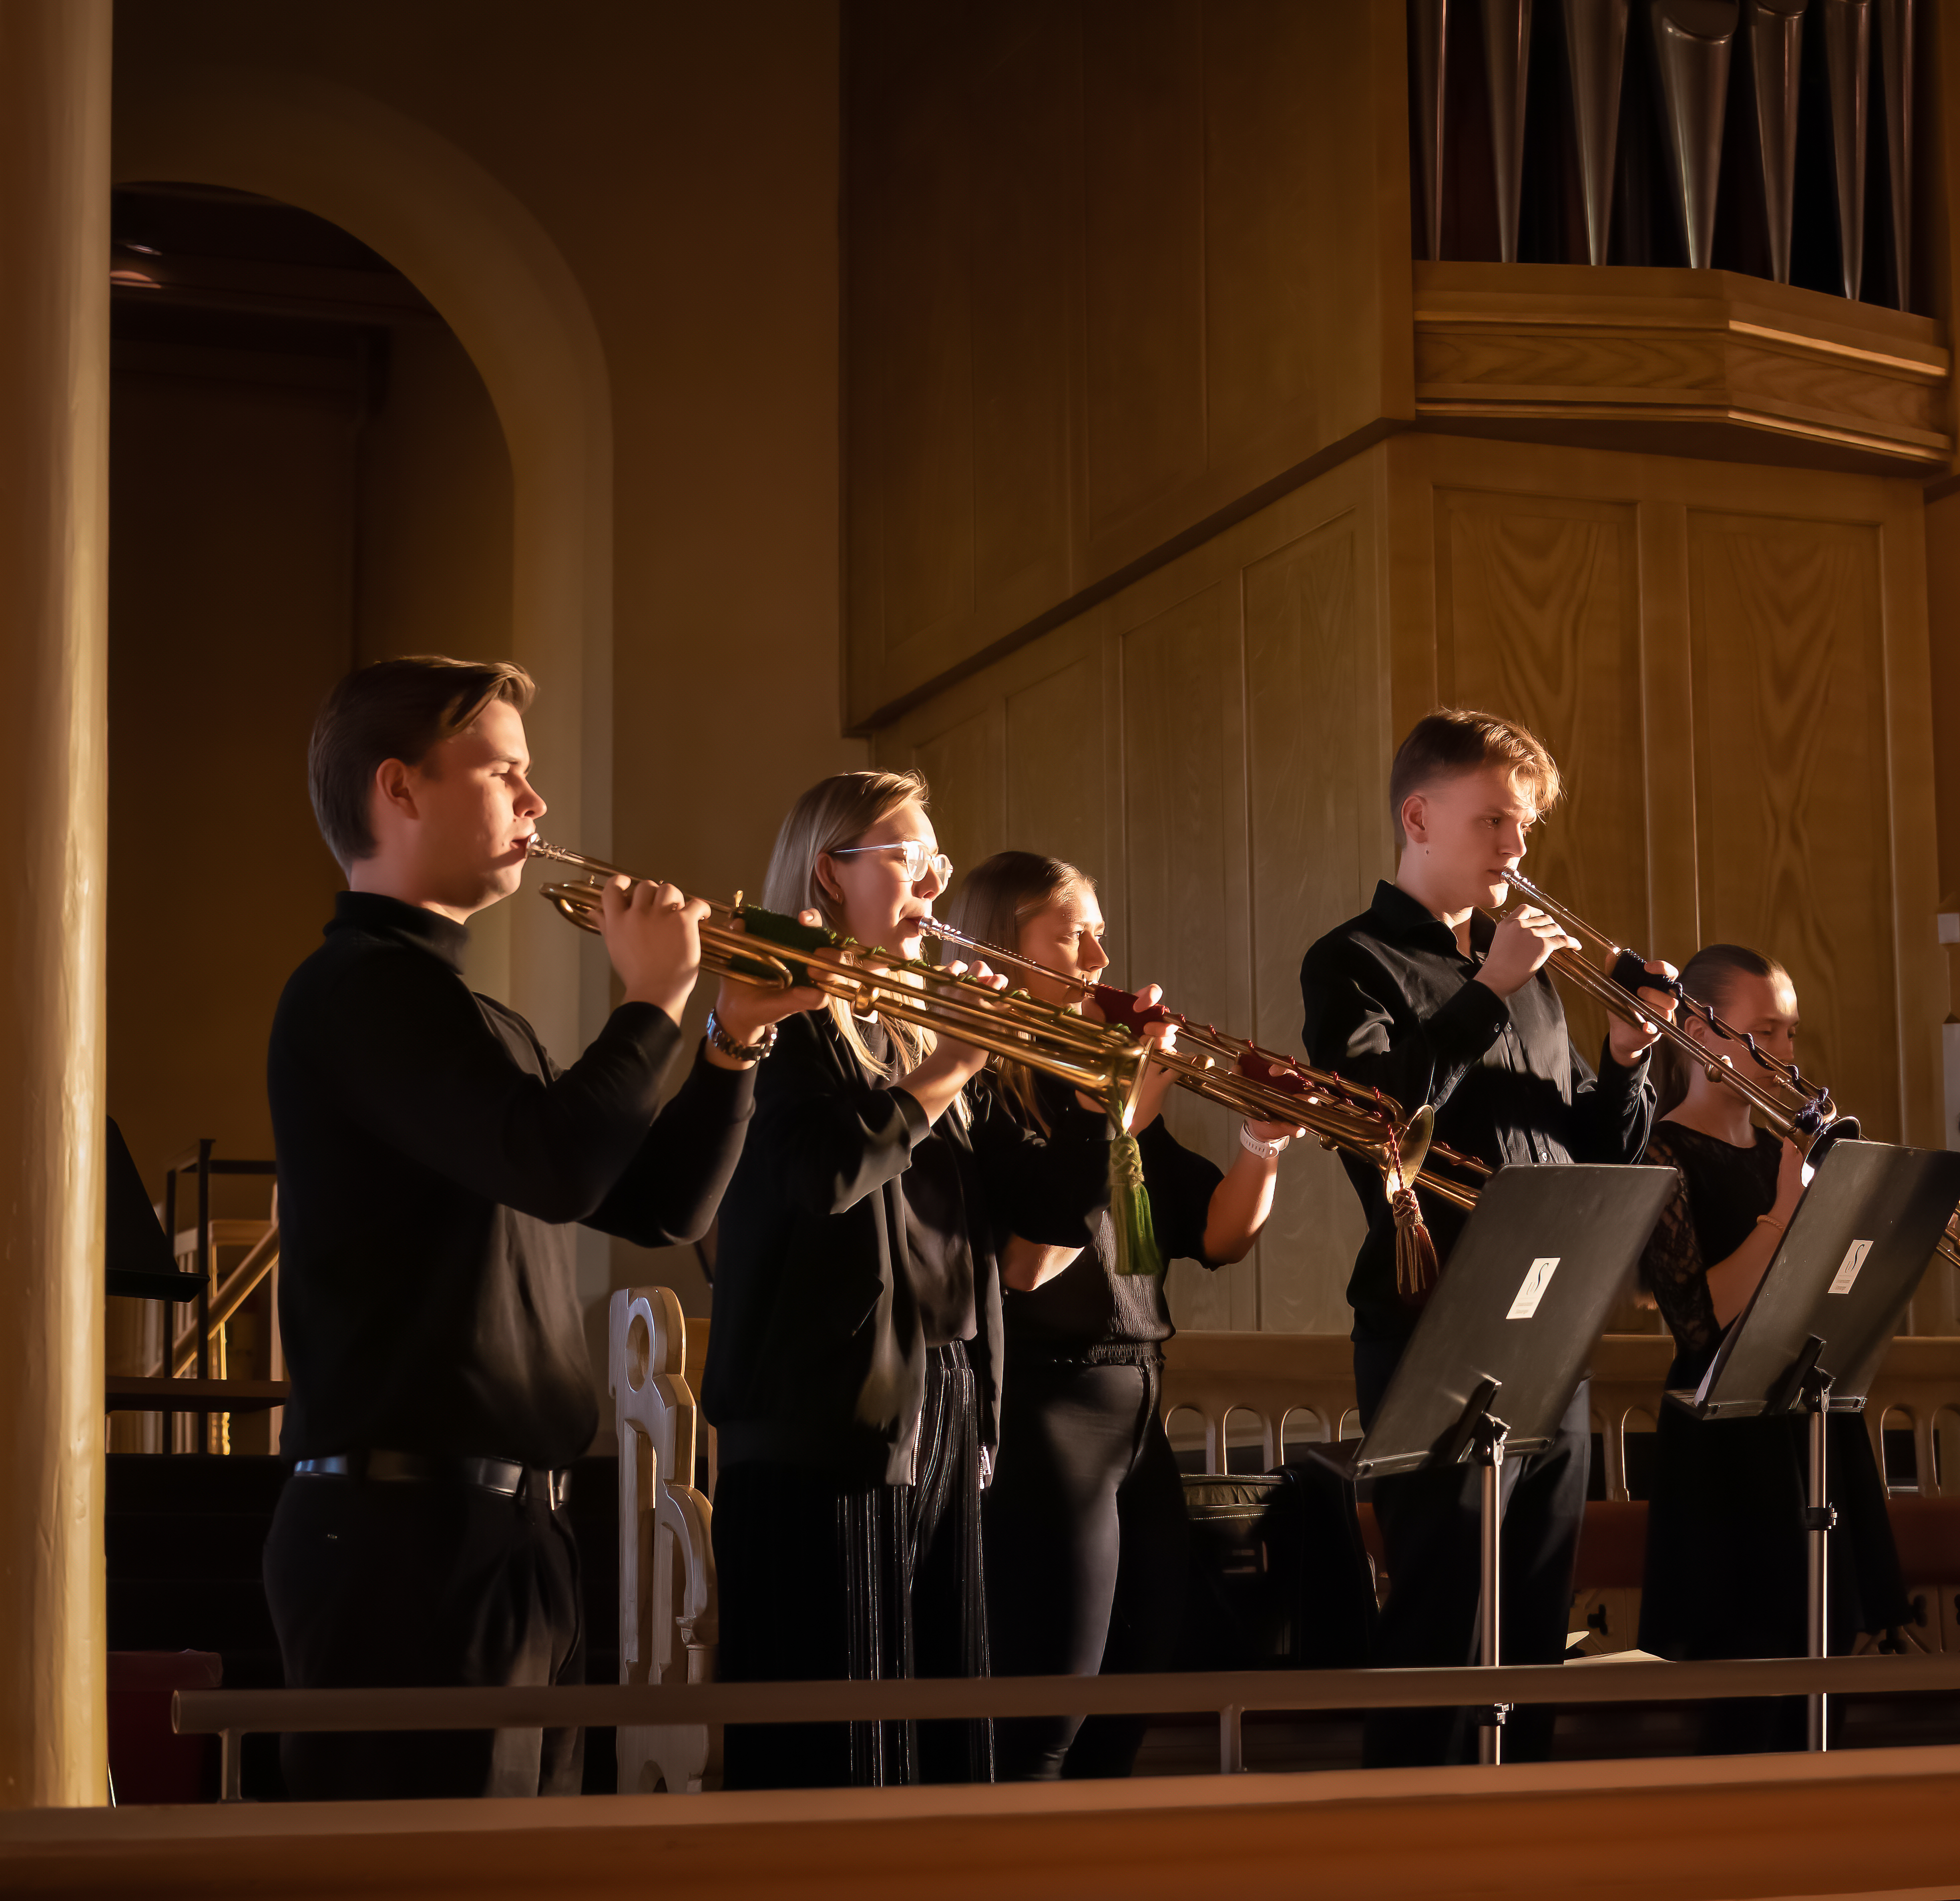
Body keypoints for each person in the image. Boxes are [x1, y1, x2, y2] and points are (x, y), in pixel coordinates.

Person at [265, 656, 817, 1800]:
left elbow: (655, 1205)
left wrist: (727, 1044)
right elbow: (558, 1163)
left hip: (511, 1535)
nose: (538, 802)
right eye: (506, 772)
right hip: (404, 1542)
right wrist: (650, 999)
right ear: (399, 790)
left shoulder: (470, 1015)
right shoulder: (356, 991)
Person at [1299, 707, 1674, 1767]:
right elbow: (1374, 1116)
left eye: (1524, 828)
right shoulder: (1353, 962)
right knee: (1441, 1617)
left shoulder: (1532, 979)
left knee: (1534, 1624)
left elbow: (1589, 1143)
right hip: (1434, 1320)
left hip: (1550, 1322)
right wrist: (1489, 989)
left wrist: (1632, 1058)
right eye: (1495, 822)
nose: (1518, 851)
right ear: (1420, 817)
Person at [954, 852, 1306, 1781]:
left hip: (1140, 1415)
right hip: (1046, 1415)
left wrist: (1262, 1144)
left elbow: (1217, 1236)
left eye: (1099, 930)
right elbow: (1024, 1268)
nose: (1100, 955)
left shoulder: (1100, 1081)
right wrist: (1107, 1118)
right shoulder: (983, 1089)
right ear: (1005, 946)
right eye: (1072, 934)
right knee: (1045, 1718)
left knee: (1128, 1709)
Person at [704, 769, 1007, 1789]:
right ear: (830, 874)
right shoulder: (778, 1015)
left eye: (941, 861)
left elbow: (969, 1234)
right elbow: (823, 1176)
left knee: (929, 1719)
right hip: (828, 1416)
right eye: (911, 859)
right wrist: (955, 1067)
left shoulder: (908, 1028)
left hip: (937, 1392)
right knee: (838, 1736)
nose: (936, 881)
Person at [1633, 945, 1904, 1753]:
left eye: (1790, 1033)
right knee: (1749, 1680)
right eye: (1764, 1033)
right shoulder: (1661, 1151)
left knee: (1827, 1664)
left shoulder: (1790, 1150)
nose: (1786, 1054)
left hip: (1806, 1415)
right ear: (1695, 1030)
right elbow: (1700, 1318)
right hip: (1725, 1435)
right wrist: (1790, 1209)